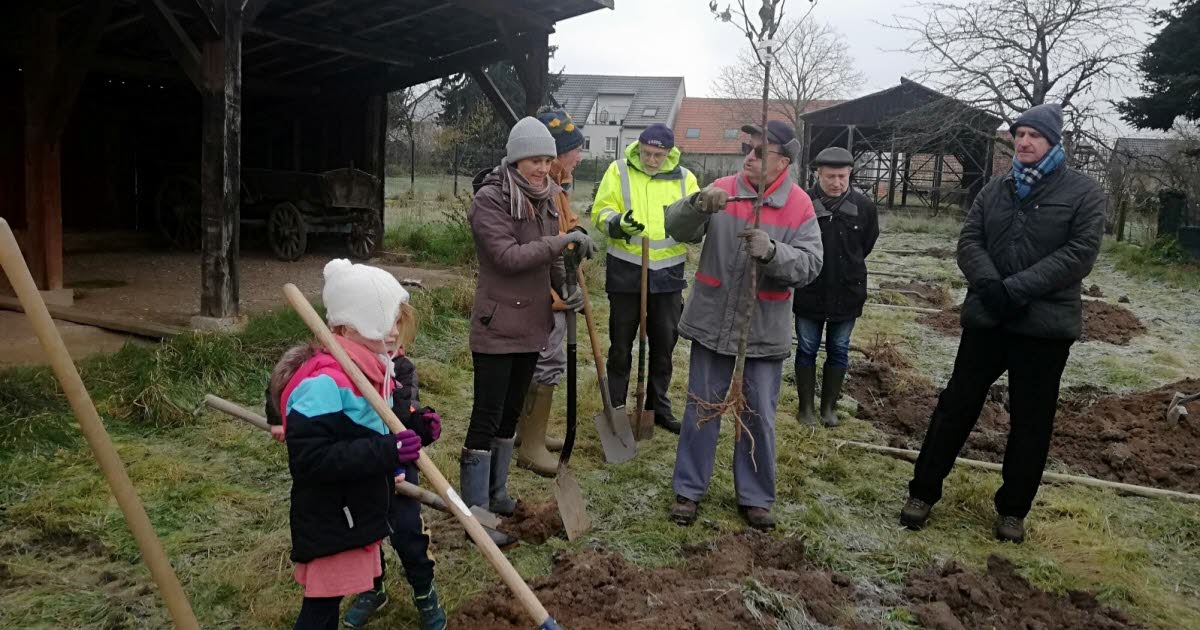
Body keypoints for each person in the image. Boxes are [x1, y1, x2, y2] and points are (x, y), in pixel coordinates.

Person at [899, 103, 1105, 543]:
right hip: (988, 320)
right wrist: (992, 286)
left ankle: (1012, 510)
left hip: (1044, 329)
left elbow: (1079, 254)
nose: (1025, 142)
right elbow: (970, 240)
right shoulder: (995, 189)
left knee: (1032, 421)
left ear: (1053, 142)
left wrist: (1016, 289)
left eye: (1035, 136)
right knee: (955, 407)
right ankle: (922, 492)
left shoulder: (1084, 193)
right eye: (1020, 134)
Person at [665, 120, 824, 530]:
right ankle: (688, 490)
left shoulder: (800, 206)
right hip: (712, 322)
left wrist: (773, 252)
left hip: (763, 329)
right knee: (701, 408)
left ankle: (754, 497)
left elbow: (810, 265)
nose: (749, 157)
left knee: (758, 416)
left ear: (783, 162)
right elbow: (675, 229)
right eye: (748, 149)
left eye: (760, 152)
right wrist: (696, 205)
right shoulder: (723, 189)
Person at [271, 259, 446, 630]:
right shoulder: (324, 384)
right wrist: (388, 453)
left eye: (398, 320)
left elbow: (379, 424)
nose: (394, 331)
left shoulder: (374, 370)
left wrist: (417, 426)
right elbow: (311, 458)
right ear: (345, 327)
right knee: (320, 610)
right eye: (382, 321)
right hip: (333, 515)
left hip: (359, 505)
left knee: (326, 606)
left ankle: (406, 591)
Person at [464, 117, 592, 542]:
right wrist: (562, 241)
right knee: (487, 416)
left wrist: (564, 287)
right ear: (517, 159)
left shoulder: (546, 198)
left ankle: (498, 494)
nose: (543, 167)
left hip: (532, 322)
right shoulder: (491, 199)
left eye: (547, 160)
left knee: (510, 415)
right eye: (536, 160)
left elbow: (550, 260)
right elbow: (508, 257)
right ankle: (475, 514)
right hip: (498, 323)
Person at [591, 123, 701, 434]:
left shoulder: (685, 178)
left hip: (668, 276)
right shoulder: (619, 170)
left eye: (658, 155)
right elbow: (601, 211)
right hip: (626, 272)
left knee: (664, 345)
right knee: (621, 346)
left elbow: (695, 219)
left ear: (669, 153)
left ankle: (658, 408)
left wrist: (696, 227)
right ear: (638, 147)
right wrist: (618, 223)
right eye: (646, 153)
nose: (651, 160)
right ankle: (616, 408)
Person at [513, 108, 593, 476]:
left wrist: (581, 236)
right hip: (545, 293)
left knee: (541, 361)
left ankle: (529, 433)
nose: (580, 156)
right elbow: (546, 242)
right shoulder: (540, 192)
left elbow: (566, 226)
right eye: (575, 149)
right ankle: (529, 443)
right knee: (546, 361)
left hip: (554, 287)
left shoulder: (557, 190)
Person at [792, 147, 879, 427]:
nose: (836, 182)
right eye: (830, 176)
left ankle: (829, 407)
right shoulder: (802, 201)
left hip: (847, 292)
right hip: (809, 290)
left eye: (842, 176)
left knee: (839, 349)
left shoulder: (864, 207)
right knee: (806, 348)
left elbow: (866, 244)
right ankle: (806, 408)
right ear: (818, 173)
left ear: (850, 174)